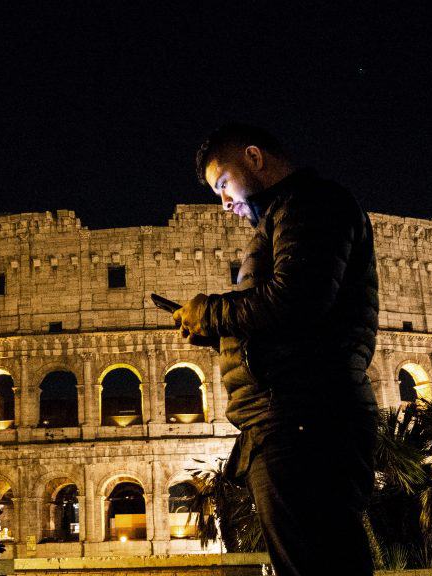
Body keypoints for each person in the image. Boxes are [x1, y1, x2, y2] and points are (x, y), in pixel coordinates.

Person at [173, 123, 380, 576]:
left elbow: (298, 299)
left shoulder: (309, 204)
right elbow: (287, 315)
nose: (223, 203)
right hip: (296, 416)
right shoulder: (288, 215)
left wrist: (211, 313)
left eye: (223, 184)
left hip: (306, 419)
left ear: (254, 156)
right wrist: (216, 329)